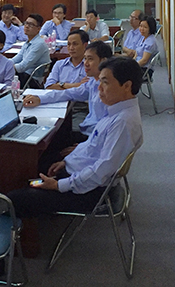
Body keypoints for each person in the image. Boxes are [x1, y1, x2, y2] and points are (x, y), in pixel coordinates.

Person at [8, 57, 144, 218]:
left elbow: (101, 171)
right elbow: (92, 146)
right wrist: (66, 161)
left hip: (87, 191)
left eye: (105, 82)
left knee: (13, 200)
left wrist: (59, 185)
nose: (99, 88)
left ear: (127, 86)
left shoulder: (123, 122)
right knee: (28, 166)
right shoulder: (115, 110)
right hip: (76, 173)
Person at [23, 40, 113, 138]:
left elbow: (106, 130)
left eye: (90, 59)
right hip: (88, 131)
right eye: (85, 58)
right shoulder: (92, 82)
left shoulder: (109, 90)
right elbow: (69, 93)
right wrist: (40, 99)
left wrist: (85, 145)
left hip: (93, 136)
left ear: (103, 61)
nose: (86, 63)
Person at [11, 13, 51, 86]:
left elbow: (22, 67)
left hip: (32, 80)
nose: (26, 26)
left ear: (38, 29)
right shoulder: (28, 42)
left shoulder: (39, 44)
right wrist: (4, 63)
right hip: (24, 75)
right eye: (26, 23)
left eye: (31, 25)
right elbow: (17, 58)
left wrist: (6, 66)